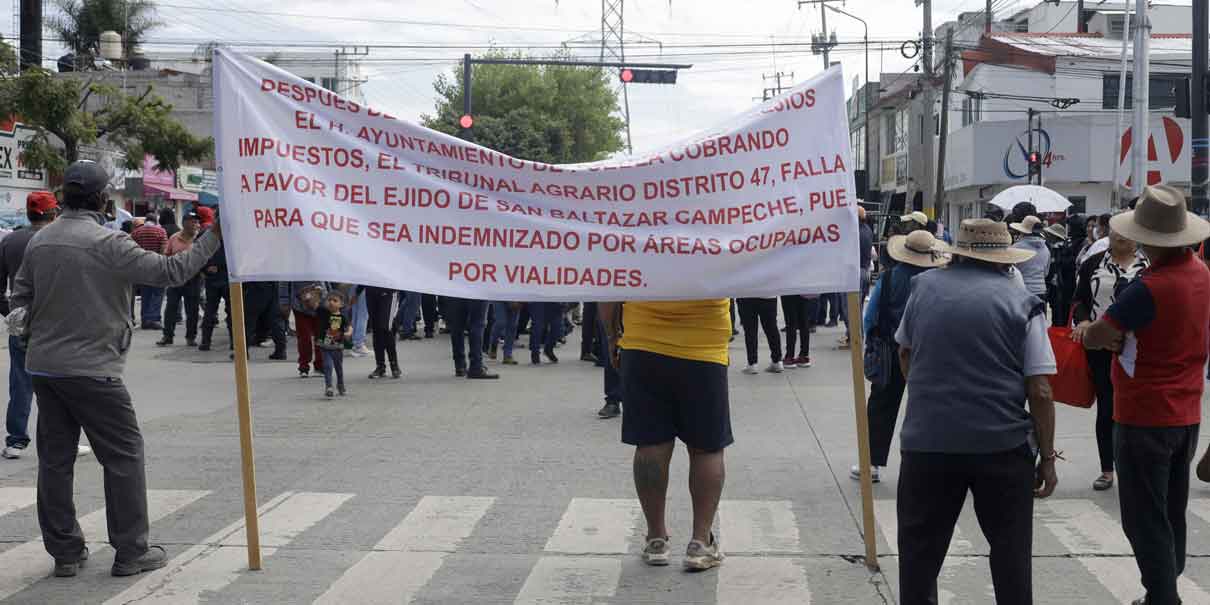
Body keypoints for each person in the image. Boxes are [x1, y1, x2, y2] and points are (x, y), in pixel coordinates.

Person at [11, 160, 222, 578]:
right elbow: (172, 271)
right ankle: (130, 551)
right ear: (101, 199)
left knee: (55, 461)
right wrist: (215, 234)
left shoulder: (42, 241)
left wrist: (32, 338)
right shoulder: (108, 243)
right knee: (124, 456)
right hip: (94, 369)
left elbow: (20, 301)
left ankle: (66, 553)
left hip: (46, 370)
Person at [894, 218, 1058, 604]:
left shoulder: (923, 287)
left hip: (927, 444)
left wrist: (926, 394)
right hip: (1000, 447)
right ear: (1005, 260)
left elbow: (905, 353)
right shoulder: (1024, 304)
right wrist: (1047, 457)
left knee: (919, 557)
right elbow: (1041, 389)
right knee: (1010, 555)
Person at [1081, 185, 1210, 605]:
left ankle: (1162, 596)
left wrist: (1089, 333)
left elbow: (1102, 333)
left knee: (1142, 517)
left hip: (1144, 414)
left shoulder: (1149, 287)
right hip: (1186, 413)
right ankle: (1165, 584)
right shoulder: (1201, 274)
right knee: (1170, 509)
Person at [600, 298, 731, 571]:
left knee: (650, 444)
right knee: (706, 448)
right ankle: (700, 542)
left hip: (643, 343)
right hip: (704, 346)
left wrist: (612, 336)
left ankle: (656, 538)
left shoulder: (634, 250)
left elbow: (608, 286)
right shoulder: (720, 250)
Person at [849, 230, 949, 483]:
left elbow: (870, 316)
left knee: (881, 406)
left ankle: (870, 464)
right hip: (929, 352)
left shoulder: (889, 278)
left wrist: (871, 339)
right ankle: (929, 463)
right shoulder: (938, 280)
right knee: (929, 408)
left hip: (891, 351)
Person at [1070, 225, 1148, 491]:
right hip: (1101, 345)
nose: (1119, 236)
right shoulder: (1093, 263)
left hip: (1140, 347)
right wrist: (1081, 322)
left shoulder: (1149, 264)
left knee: (1138, 408)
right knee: (1107, 406)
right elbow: (1079, 298)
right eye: (1114, 231)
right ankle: (1107, 469)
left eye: (1125, 232)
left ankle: (1136, 466)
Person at [1, 192, 61, 459]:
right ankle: (61, 439)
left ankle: (15, 440)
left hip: (22, 322)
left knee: (20, 382)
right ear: (53, 213)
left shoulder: (10, 241)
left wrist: (11, 312)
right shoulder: (59, 240)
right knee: (61, 383)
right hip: (56, 323)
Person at [157, 211, 204, 347]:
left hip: (193, 279)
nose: (196, 224)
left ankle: (191, 337)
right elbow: (166, 255)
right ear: (184, 223)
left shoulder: (199, 239)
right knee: (171, 308)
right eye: (192, 221)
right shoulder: (174, 238)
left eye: (197, 222)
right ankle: (167, 336)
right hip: (175, 278)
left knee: (192, 310)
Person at [280, 281, 326, 377]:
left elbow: (325, 279)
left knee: (320, 336)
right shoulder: (291, 267)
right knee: (304, 338)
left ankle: (320, 365)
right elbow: (284, 282)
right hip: (299, 305)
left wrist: (328, 297)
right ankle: (304, 366)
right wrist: (284, 301)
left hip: (320, 303)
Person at [130, 213, 168, 330]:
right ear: (156, 220)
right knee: (157, 293)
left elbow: (131, 248)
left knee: (145, 293)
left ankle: (145, 319)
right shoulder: (161, 231)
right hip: (156, 265)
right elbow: (163, 250)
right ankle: (154, 319)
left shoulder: (136, 232)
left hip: (141, 267)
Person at [446, 297, 498, 379]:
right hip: (477, 289)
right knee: (477, 323)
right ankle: (476, 365)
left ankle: (460, 365)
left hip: (456, 289)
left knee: (457, 325)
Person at [360, 285, 401, 379]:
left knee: (386, 328)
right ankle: (380, 366)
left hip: (389, 292)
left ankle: (394, 365)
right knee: (376, 330)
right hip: (371, 293)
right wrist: (358, 291)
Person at [315, 290, 351, 398]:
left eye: (335, 300)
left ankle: (340, 384)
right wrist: (315, 294)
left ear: (341, 304)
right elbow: (314, 304)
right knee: (327, 366)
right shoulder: (323, 313)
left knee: (338, 368)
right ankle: (329, 386)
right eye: (329, 300)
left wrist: (348, 333)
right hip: (325, 346)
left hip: (337, 347)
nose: (331, 302)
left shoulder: (343, 317)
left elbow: (349, 327)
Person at [198, 237, 231, 351]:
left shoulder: (208, 238)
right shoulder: (231, 238)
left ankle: (205, 342)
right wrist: (206, 269)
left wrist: (206, 268)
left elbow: (199, 256)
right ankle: (234, 341)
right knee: (228, 312)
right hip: (224, 279)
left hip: (218, 280)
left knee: (211, 312)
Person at [737, 297, 783, 374]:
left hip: (747, 296)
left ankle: (752, 363)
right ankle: (777, 361)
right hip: (768, 295)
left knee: (750, 330)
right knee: (772, 329)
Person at [1010, 216, 1051, 298]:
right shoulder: (1046, 249)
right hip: (1041, 291)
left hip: (1021, 290)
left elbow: (1010, 271)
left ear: (1023, 231)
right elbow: (1046, 273)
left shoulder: (1016, 247)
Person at [489, 301, 521, 365]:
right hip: (500, 297)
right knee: (500, 323)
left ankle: (508, 355)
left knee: (512, 326)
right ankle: (493, 344)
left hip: (516, 297)